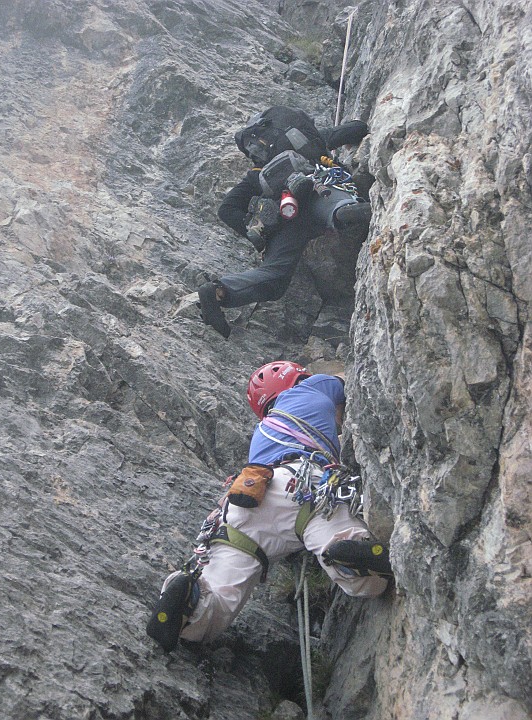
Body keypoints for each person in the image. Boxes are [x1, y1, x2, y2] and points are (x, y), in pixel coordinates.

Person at [146, 361, 392, 653]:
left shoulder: (261, 433)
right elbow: (346, 383)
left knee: (219, 597)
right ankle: (345, 552)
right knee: (371, 582)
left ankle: (189, 600)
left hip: (250, 496)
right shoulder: (310, 388)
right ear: (297, 379)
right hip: (305, 484)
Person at [197, 110, 373, 338]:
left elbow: (227, 209)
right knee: (335, 206)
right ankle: (349, 211)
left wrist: (256, 235)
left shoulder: (258, 174)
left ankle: (220, 290)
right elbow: (358, 128)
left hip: (287, 216)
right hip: (319, 184)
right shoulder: (306, 142)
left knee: (274, 276)